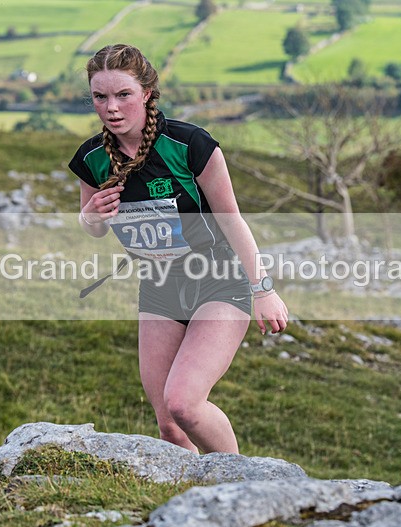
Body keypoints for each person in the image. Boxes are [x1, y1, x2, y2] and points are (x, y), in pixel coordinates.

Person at [68, 44, 288, 454]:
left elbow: (231, 219)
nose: (111, 108)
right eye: (101, 97)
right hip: (158, 286)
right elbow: (93, 227)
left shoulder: (189, 144)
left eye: (123, 95)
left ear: (147, 93)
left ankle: (237, 485)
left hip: (219, 281)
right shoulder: (92, 159)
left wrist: (264, 289)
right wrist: (90, 217)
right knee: (169, 426)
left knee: (184, 404)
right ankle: (194, 505)